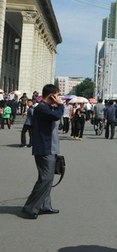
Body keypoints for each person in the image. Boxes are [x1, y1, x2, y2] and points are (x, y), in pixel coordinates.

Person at [22, 84, 64, 219]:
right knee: (45, 179)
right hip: (44, 149)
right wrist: (60, 105)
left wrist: (58, 105)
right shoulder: (41, 108)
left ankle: (45, 205)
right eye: (57, 95)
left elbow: (56, 115)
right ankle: (30, 207)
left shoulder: (47, 108)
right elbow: (57, 116)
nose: (59, 97)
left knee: (48, 179)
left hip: (50, 148)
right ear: (51, 95)